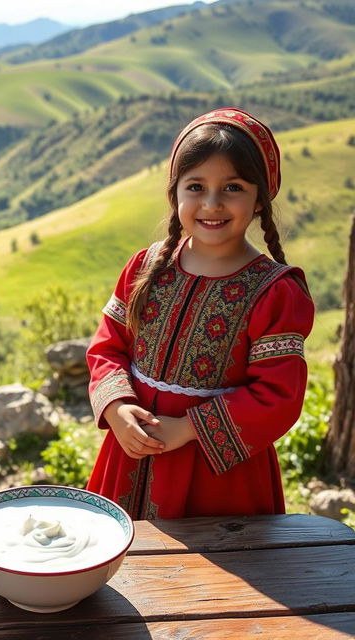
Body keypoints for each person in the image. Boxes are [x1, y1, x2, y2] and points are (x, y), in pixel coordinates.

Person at [86, 107, 314, 520]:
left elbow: (278, 396)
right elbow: (108, 346)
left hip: (220, 475)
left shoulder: (273, 292)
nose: (211, 203)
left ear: (260, 198)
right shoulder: (146, 267)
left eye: (232, 187)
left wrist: (189, 429)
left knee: (207, 582)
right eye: (196, 186)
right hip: (129, 453)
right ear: (175, 194)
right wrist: (117, 408)